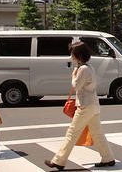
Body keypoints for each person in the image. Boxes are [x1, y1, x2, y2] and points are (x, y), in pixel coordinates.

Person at [45, 41, 116, 169]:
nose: (71, 56)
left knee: (72, 133)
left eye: (72, 54)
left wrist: (73, 75)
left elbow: (76, 85)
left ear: (78, 55)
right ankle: (108, 158)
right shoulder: (89, 67)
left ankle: (58, 161)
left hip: (85, 106)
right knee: (97, 133)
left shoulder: (83, 69)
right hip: (93, 105)